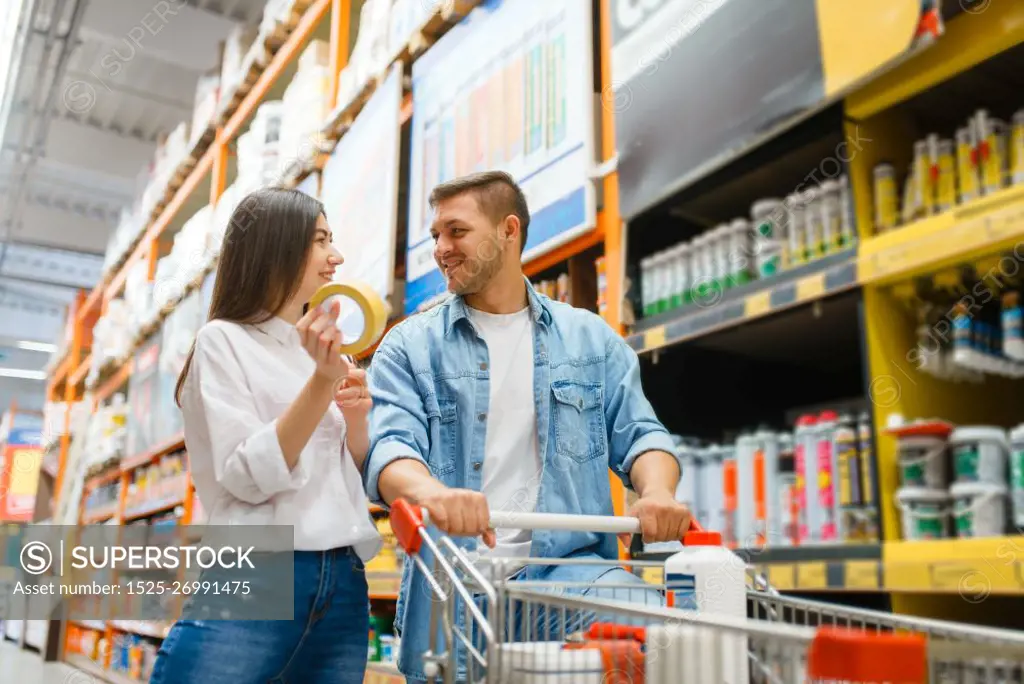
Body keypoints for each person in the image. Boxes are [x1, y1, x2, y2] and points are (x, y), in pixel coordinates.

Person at [363, 171, 689, 682]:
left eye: (456, 231)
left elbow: (642, 434)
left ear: (507, 231)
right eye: (436, 237)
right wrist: (433, 493)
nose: (441, 249)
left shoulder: (589, 339)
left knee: (668, 642)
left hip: (571, 578)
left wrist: (658, 492)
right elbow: (389, 448)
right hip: (454, 589)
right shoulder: (408, 347)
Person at [150, 187, 381, 684]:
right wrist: (322, 384)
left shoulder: (317, 351)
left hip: (343, 578)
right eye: (321, 240)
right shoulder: (222, 342)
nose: (335, 256)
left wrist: (356, 417)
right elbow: (248, 475)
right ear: (277, 247)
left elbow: (354, 476)